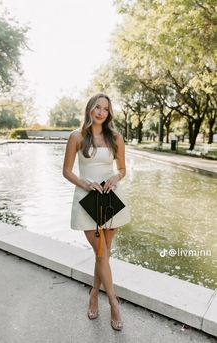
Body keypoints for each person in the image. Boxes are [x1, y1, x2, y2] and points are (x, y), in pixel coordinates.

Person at [63, 93, 130, 331]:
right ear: (90, 109)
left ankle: (94, 294)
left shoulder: (116, 137)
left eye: (105, 108)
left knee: (103, 255)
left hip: (111, 199)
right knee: (101, 253)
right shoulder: (77, 136)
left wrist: (115, 176)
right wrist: (84, 184)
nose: (101, 112)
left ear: (109, 112)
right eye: (97, 107)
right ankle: (113, 302)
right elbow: (67, 171)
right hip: (87, 199)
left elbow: (122, 169)